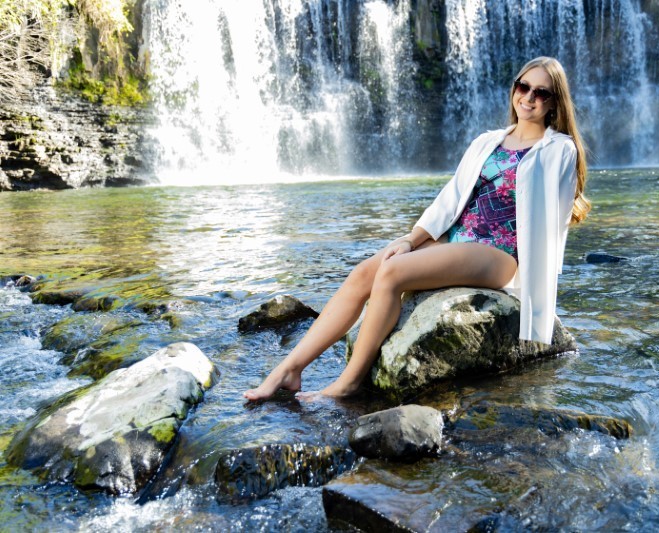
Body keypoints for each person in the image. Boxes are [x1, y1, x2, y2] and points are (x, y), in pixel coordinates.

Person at [244, 56, 590, 401]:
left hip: (500, 253)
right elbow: (450, 200)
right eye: (523, 86)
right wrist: (411, 240)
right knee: (365, 273)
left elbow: (550, 227)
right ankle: (290, 369)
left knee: (392, 273)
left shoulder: (559, 150)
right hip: (457, 238)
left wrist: (537, 304)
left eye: (541, 93)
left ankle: (348, 382)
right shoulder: (488, 141)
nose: (528, 97)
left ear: (554, 102)